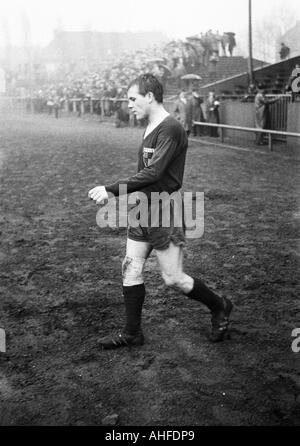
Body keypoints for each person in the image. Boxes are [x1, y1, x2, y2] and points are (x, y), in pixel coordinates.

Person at [88, 73, 233, 349]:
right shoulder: (150, 125)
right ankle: (132, 333)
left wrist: (112, 189)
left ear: (150, 96)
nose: (129, 105)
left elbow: (154, 172)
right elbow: (144, 173)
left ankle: (220, 305)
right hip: (142, 207)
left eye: (133, 99)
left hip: (164, 210)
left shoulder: (171, 128)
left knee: (173, 278)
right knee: (130, 269)